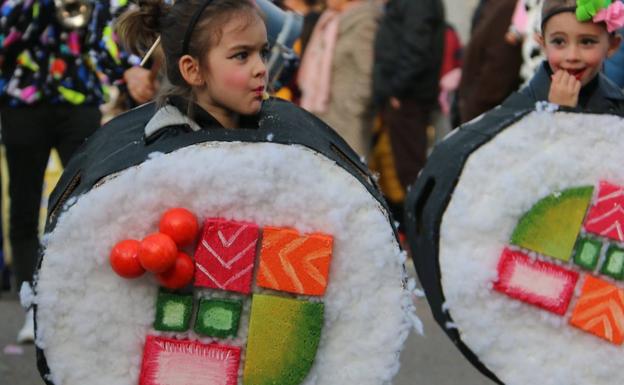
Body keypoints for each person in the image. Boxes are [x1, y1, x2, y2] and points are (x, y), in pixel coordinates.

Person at [0, 0, 152, 343]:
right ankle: (33, 309)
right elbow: (7, 39)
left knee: (85, 202)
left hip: (79, 104)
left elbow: (107, 40)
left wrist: (126, 69)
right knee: (23, 207)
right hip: (22, 107)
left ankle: (80, 299)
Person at [116, 0, 269, 132]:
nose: (261, 68)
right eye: (241, 55)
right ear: (193, 70)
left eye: (263, 53)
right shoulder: (169, 154)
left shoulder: (276, 127)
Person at [372, 0, 445, 190]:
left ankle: (418, 218)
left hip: (408, 98)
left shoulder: (417, 4)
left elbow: (417, 49)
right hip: (402, 96)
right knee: (403, 169)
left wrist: (397, 90)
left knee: (411, 171)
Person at [298, 0, 380, 157]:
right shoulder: (330, 19)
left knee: (349, 171)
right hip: (325, 112)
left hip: (349, 119)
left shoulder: (364, 21)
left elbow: (368, 73)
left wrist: (354, 108)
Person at [514, 0, 624, 111]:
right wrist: (560, 110)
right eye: (559, 42)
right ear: (544, 46)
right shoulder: (518, 109)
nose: (572, 56)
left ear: (612, 46)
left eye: (586, 42)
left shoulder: (618, 104)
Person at [457, 0, 523, 124]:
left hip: (486, 115)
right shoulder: (492, 5)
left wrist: (474, 107)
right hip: (478, 110)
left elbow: (500, 65)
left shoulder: (507, 6)